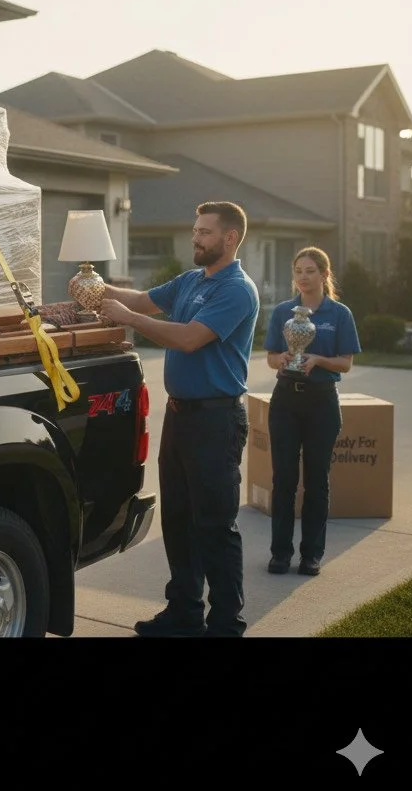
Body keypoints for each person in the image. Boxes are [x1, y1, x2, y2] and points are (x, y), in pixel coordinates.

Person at [100, 201, 259, 638]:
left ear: (229, 238)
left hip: (216, 421)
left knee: (214, 527)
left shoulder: (237, 289)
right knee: (178, 521)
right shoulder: (191, 280)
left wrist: (128, 319)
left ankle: (227, 624)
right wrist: (98, 289)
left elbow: (190, 339)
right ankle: (184, 612)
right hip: (179, 419)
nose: (195, 238)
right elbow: (143, 301)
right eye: (195, 230)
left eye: (205, 232)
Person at [263, 246, 361, 577]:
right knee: (284, 480)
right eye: (298, 271)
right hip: (286, 402)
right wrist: (284, 358)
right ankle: (280, 553)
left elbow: (346, 363)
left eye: (310, 271)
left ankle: (311, 555)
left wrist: (318, 360)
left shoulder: (339, 314)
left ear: (324, 275)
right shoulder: (282, 312)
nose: (303, 277)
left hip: (322, 402)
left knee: (317, 481)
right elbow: (272, 357)